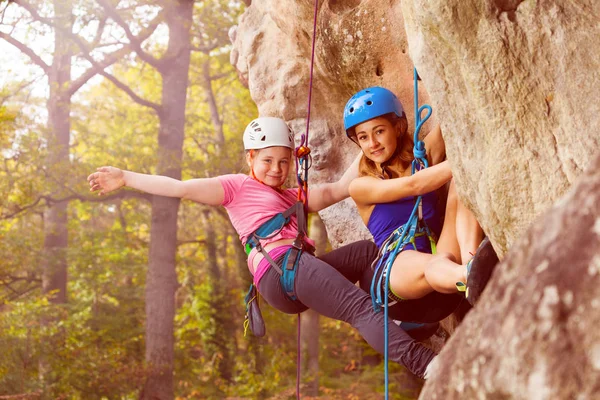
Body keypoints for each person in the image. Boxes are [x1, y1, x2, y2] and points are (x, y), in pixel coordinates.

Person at [87, 116, 437, 378]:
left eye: (284, 161)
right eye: (267, 161)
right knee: (357, 308)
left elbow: (336, 190)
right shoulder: (236, 187)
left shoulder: (289, 195)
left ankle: (406, 321)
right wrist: (127, 178)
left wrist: (368, 146)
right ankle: (428, 366)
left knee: (366, 253)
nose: (276, 169)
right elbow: (179, 187)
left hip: (291, 274)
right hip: (280, 268)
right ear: (250, 159)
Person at [343, 87, 498, 322]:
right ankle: (467, 274)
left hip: (444, 269)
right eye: (363, 137)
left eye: (379, 131)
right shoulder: (361, 186)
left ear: (398, 127)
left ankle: (472, 261)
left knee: (462, 179)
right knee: (432, 263)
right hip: (398, 274)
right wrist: (462, 159)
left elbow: (452, 118)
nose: (372, 143)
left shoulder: (423, 160)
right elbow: (413, 186)